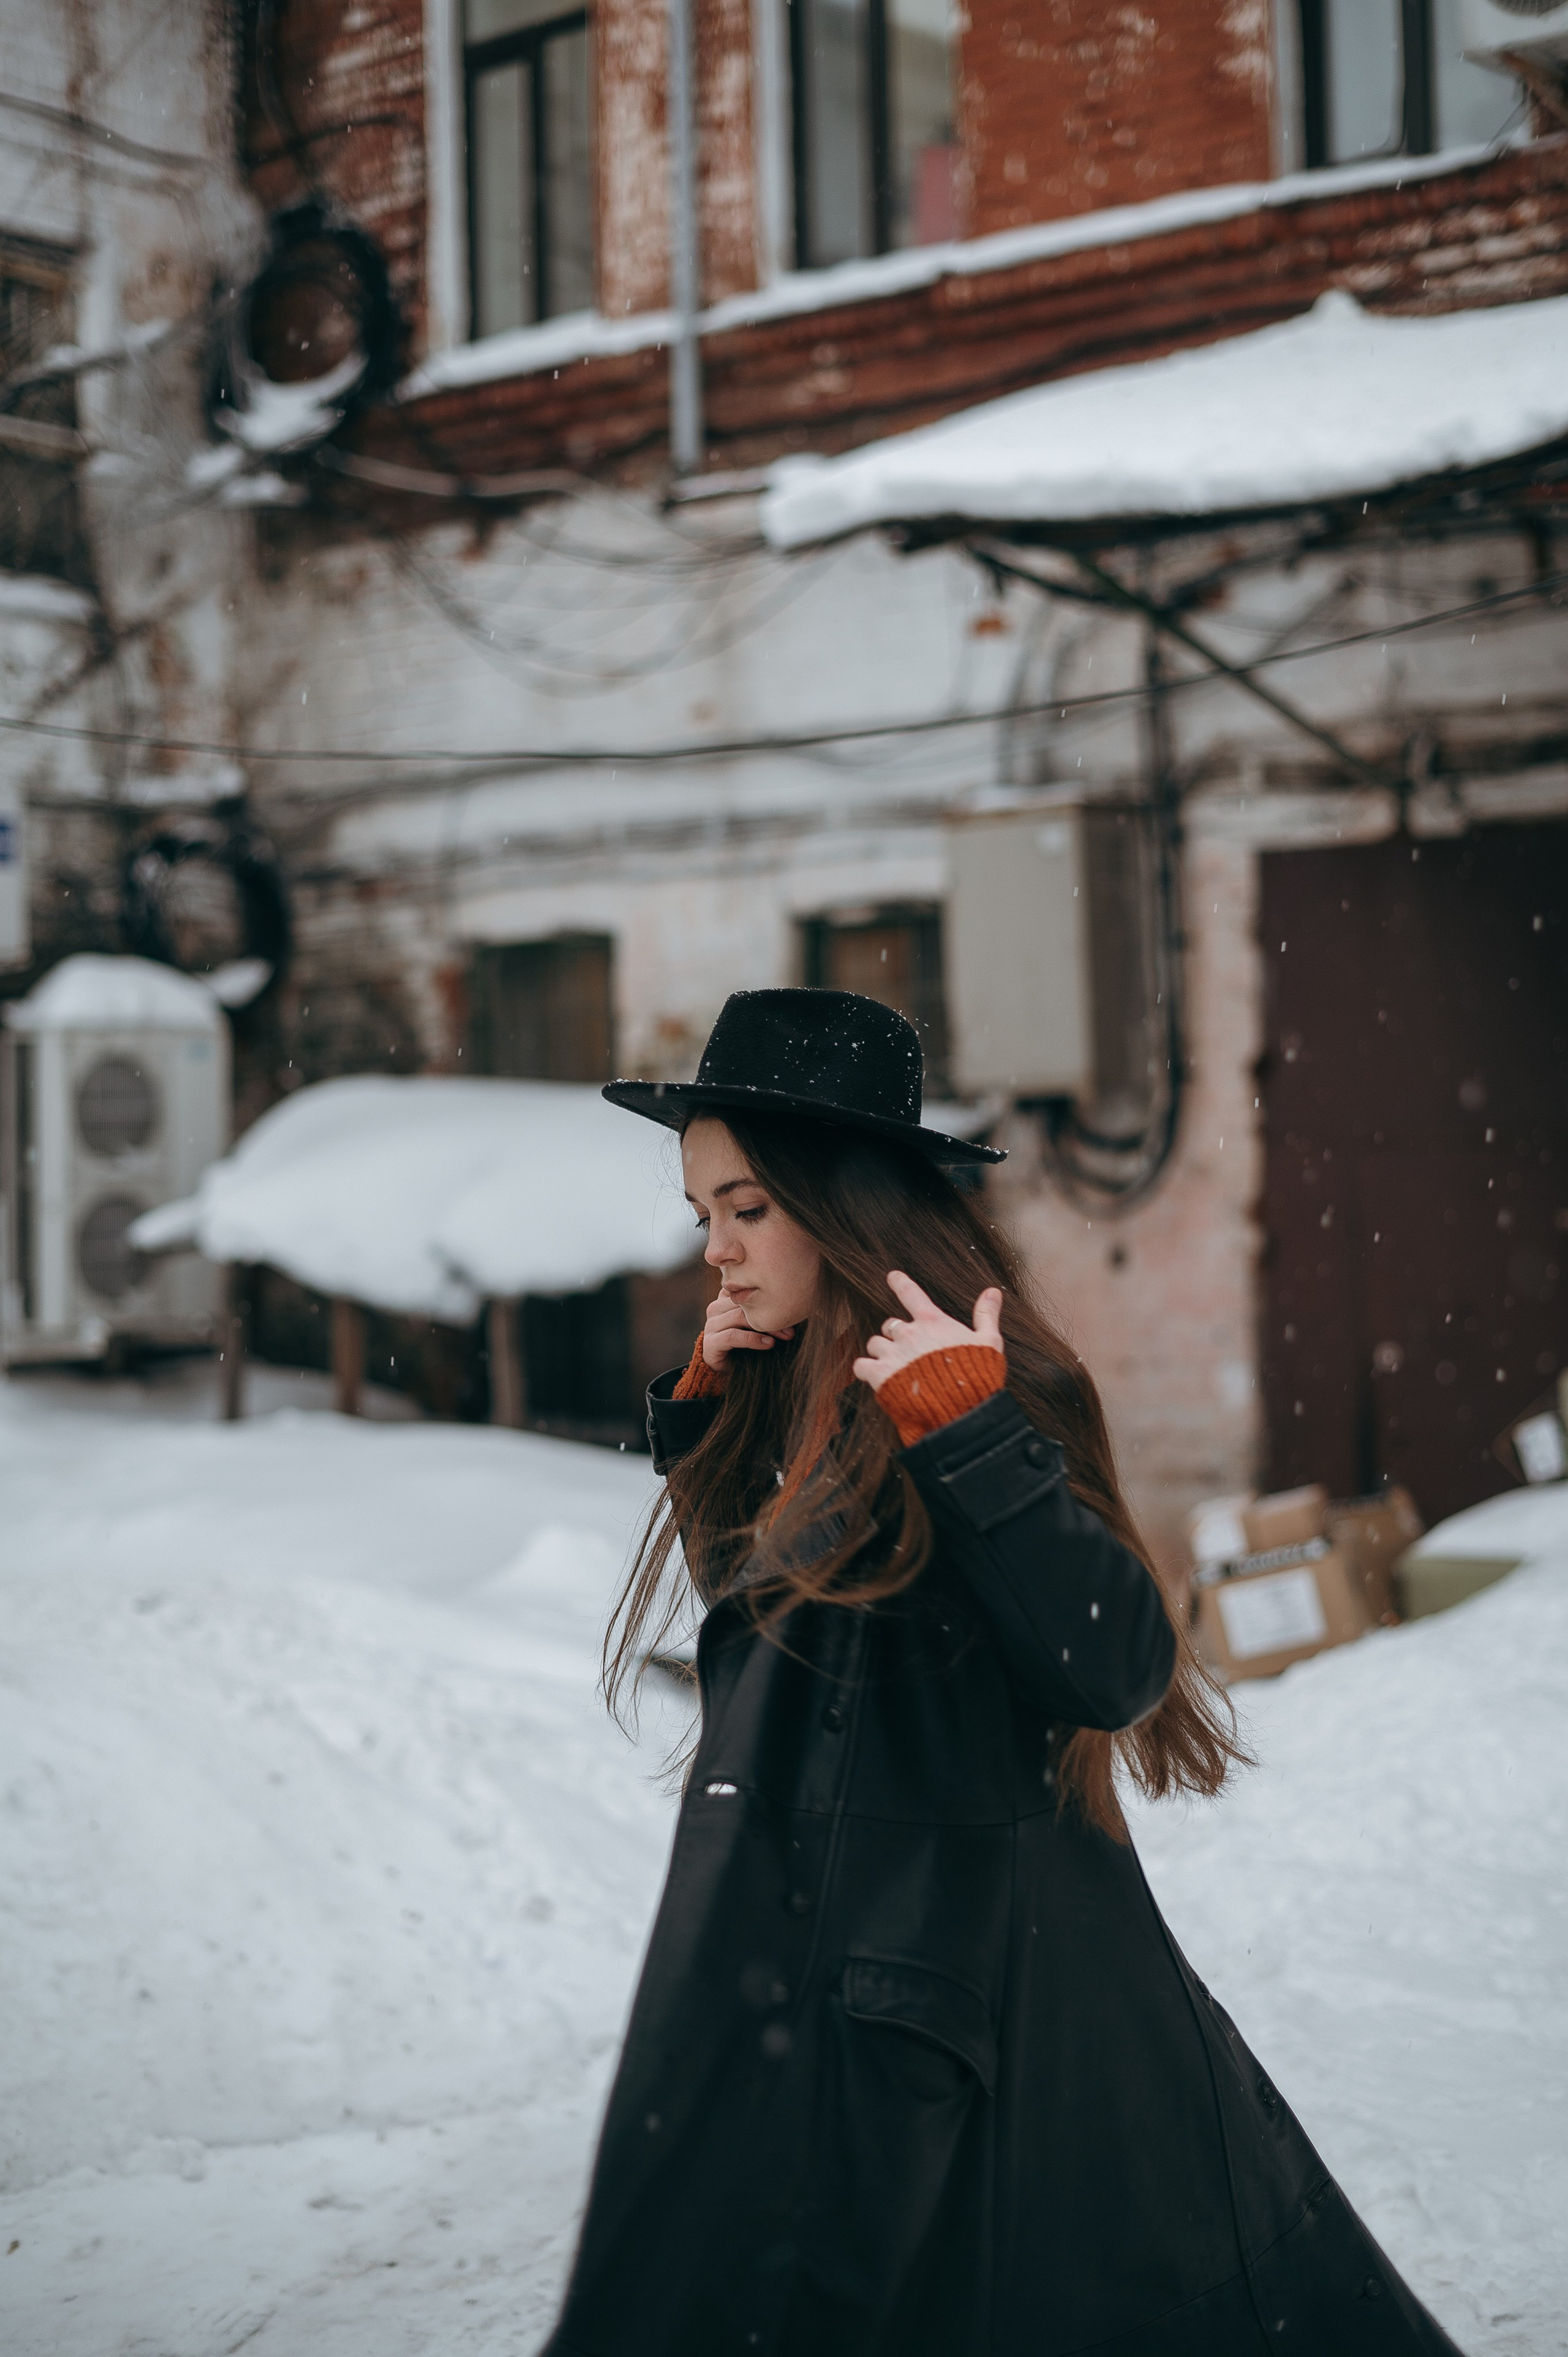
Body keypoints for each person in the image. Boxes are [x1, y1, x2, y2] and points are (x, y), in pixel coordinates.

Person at [540, 989, 1463, 2357]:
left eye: (748, 1208)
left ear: (842, 1206)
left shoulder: (980, 1383)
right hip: (870, 1978)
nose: (717, 1252)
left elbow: (1116, 1663)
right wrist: (707, 1434)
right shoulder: (807, 1385)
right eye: (701, 1217)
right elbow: (797, 1644)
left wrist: (966, 1429)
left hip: (979, 1978)